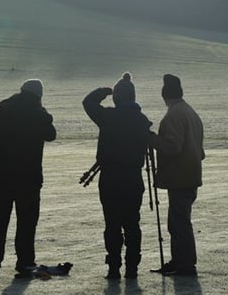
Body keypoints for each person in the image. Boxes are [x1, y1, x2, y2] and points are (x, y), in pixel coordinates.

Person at [0, 79, 56, 275]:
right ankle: (24, 260)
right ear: (38, 96)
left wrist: (9, 101)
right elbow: (51, 135)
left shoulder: (6, 108)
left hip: (1, 174)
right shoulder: (40, 115)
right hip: (29, 177)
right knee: (27, 221)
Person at [83, 73, 152, 280]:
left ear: (117, 98)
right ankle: (132, 268)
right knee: (132, 222)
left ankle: (114, 267)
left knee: (112, 223)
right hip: (133, 178)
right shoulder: (142, 121)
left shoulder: (108, 117)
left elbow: (88, 102)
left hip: (110, 177)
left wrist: (104, 91)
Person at [149, 74, 205, 277]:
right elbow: (200, 150)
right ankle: (180, 261)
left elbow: (172, 147)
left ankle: (186, 265)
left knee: (179, 223)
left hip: (180, 178)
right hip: (190, 176)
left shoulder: (174, 115)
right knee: (178, 221)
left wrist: (152, 140)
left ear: (166, 96)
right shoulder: (190, 112)